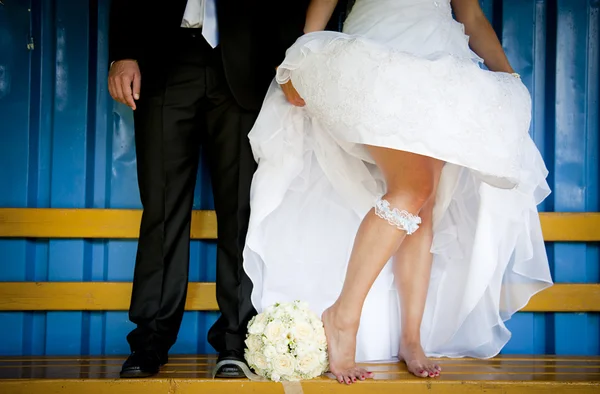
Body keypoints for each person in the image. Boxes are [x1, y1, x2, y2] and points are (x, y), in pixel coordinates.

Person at [242, 0, 553, 385]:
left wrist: (509, 79)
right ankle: (342, 317)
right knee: (413, 187)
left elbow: (470, 14)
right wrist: (305, 53)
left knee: (425, 201)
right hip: (377, 57)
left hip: (442, 67)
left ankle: (411, 338)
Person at [107, 0, 311, 379]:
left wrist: (291, 60)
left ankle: (236, 342)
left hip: (247, 63)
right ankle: (150, 340)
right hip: (164, 56)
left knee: (240, 212)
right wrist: (124, 52)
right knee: (162, 210)